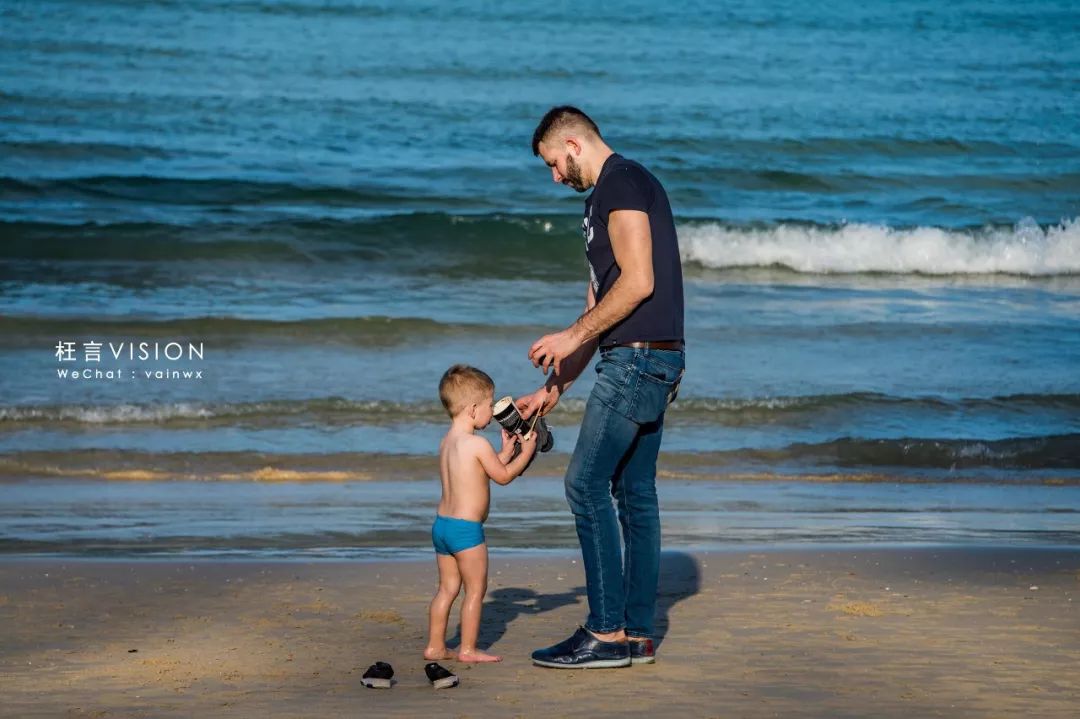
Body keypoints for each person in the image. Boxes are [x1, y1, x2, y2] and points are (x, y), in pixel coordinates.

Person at [517, 106, 685, 669]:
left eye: (553, 164)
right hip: (643, 359)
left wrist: (569, 337)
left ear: (572, 142)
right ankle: (635, 633)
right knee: (634, 494)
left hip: (637, 363)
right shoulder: (599, 201)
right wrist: (553, 388)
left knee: (584, 484)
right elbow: (599, 307)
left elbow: (639, 283)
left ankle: (606, 632)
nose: (554, 177)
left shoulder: (623, 181)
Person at [425, 364, 538, 664]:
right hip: (466, 531)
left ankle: (435, 646)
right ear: (474, 409)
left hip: (442, 527)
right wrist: (525, 453)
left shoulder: (447, 443)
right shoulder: (477, 443)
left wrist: (504, 452)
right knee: (475, 591)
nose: (492, 411)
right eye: (490, 405)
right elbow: (501, 477)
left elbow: (480, 472)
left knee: (447, 589)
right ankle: (468, 649)